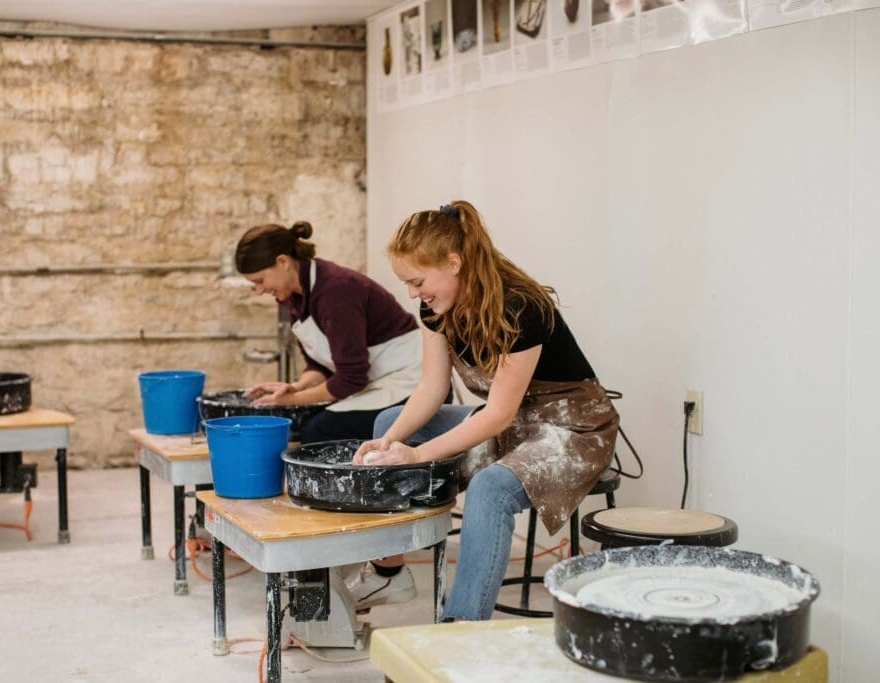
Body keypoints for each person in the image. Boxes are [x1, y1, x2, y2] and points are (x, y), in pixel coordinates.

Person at [351, 200, 619, 620]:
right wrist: (388, 443)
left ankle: (463, 626)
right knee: (389, 424)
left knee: (490, 489)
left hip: (571, 427)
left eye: (417, 281)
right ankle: (390, 572)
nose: (412, 293)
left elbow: (497, 416)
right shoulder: (435, 309)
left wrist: (419, 456)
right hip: (514, 420)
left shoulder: (521, 308)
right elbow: (432, 388)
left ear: (453, 262)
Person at [235, 221, 423, 444]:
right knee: (305, 424)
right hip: (375, 382)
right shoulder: (293, 297)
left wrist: (291, 400)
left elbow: (351, 378)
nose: (259, 291)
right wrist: (296, 386)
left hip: (411, 383)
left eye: (259, 281)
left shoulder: (335, 291)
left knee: (319, 431)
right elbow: (320, 367)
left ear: (283, 262)